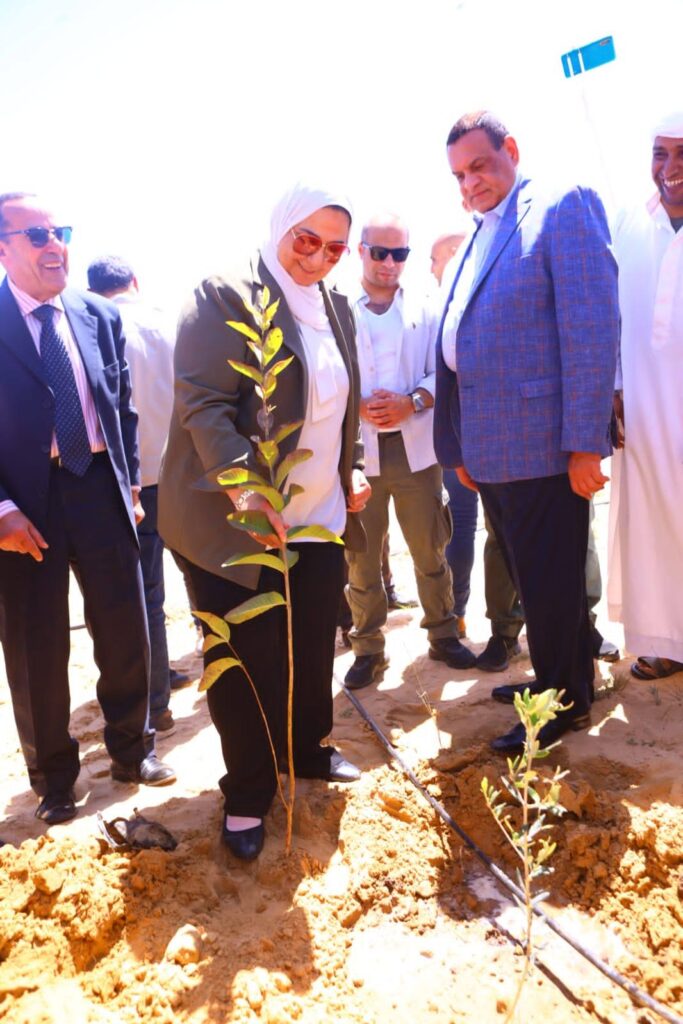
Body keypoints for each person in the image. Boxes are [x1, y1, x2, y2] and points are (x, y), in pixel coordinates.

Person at [158, 184, 370, 861]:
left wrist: (352, 466)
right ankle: (248, 792)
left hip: (316, 518)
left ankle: (306, 751)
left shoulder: (335, 307)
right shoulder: (225, 295)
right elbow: (203, 404)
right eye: (306, 239)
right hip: (233, 521)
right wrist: (248, 491)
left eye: (335, 248)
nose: (318, 257)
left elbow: (341, 403)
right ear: (281, 227)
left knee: (310, 645)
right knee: (245, 661)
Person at [434, 111, 619, 752]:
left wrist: (585, 443)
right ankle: (562, 671)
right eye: (459, 175)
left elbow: (591, 328)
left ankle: (562, 706)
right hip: (492, 450)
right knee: (532, 578)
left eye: (479, 166)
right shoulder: (479, 233)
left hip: (545, 447)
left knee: (550, 582)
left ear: (510, 149)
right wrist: (459, 445)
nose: (470, 183)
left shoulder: (561, 206)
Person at [0, 192, 175, 826]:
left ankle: (133, 750)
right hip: (25, 508)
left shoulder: (97, 314)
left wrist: (128, 487)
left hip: (101, 487)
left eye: (60, 232)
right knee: (36, 647)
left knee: (125, 625)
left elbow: (120, 406)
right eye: (37, 235)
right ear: (3, 247)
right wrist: (1, 508)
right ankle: (54, 782)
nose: (55, 245)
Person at [344, 214, 475, 691]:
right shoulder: (337, 308)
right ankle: (368, 649)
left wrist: (412, 401)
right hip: (359, 453)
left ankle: (443, 634)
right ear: (361, 251)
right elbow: (325, 373)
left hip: (417, 449)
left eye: (399, 254)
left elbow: (445, 369)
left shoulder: (426, 306)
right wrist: (356, 405)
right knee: (361, 558)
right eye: (380, 252)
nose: (389, 263)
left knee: (430, 548)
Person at [87, 256, 190, 731]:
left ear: (92, 293)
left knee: (146, 595)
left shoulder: (96, 331)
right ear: (134, 281)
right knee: (204, 576)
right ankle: (222, 671)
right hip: (184, 474)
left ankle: (157, 701)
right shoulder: (169, 322)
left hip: (134, 481)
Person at [608, 111, 683, 681]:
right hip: (645, 411)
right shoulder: (629, 223)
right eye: (661, 153)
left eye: (682, 154)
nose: (670, 167)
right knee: (656, 526)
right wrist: (613, 387)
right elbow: (610, 315)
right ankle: (669, 641)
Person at [430, 231, 478, 639]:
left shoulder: (446, 300)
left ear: (453, 253)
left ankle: (459, 613)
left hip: (467, 433)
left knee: (462, 526)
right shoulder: (437, 304)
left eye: (434, 259)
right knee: (462, 527)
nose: (431, 269)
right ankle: (458, 612)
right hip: (463, 436)